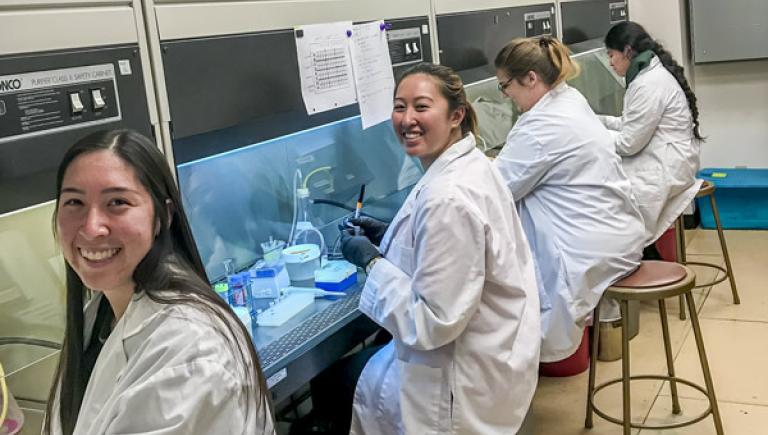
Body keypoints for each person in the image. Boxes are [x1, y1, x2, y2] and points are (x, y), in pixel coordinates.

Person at [339, 63, 540, 434]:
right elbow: (453, 251)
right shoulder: (467, 163)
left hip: (457, 380)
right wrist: (390, 236)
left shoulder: (447, 196)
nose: (407, 119)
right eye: (400, 106)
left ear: (456, 115)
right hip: (492, 352)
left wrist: (371, 261)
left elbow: (431, 322)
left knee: (347, 382)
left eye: (421, 106)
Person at [44, 130, 275, 435]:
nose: (92, 227)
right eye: (74, 202)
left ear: (162, 217)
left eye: (117, 202)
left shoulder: (190, 346)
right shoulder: (100, 311)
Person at [492, 36, 645, 363]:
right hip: (621, 234)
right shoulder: (568, 98)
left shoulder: (540, 126)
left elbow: (495, 191)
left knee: (494, 290)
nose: (506, 96)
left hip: (589, 251)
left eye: (505, 87)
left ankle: (504, 376)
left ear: (531, 78)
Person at [600, 21, 703, 250]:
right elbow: (632, 124)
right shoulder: (647, 75)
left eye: (611, 55)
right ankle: (644, 257)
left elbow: (628, 144)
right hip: (667, 156)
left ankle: (643, 264)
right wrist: (598, 120)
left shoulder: (649, 83)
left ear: (627, 51)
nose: (610, 63)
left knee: (614, 200)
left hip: (669, 164)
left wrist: (591, 134)